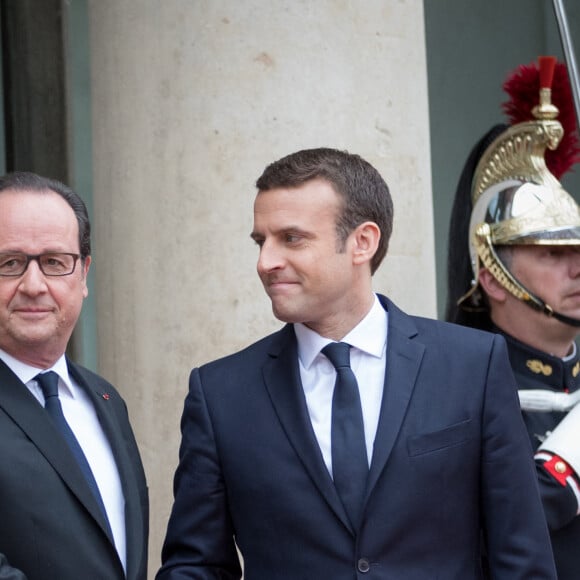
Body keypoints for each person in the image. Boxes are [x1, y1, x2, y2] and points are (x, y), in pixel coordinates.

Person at [157, 147, 556, 579]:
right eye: (261, 241)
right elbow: (195, 565)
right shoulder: (221, 394)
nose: (265, 262)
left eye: (291, 238)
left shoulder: (471, 366)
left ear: (362, 242)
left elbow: (522, 557)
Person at [446, 57, 580, 579]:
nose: (576, 268)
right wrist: (564, 464)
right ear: (495, 276)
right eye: (551, 254)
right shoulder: (451, 395)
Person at [0, 172, 148, 580]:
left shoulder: (106, 400)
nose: (33, 285)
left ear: (83, 274)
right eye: (9, 263)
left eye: (54, 262)